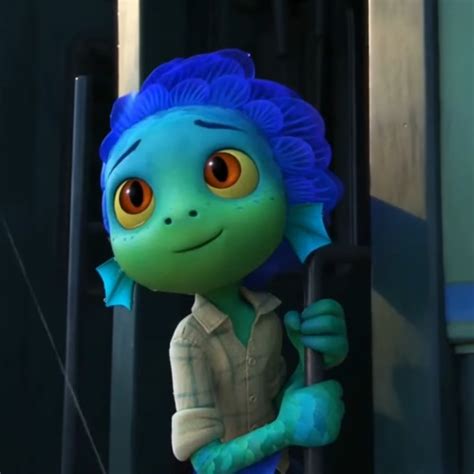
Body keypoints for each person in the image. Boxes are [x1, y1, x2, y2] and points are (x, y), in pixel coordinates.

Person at [97, 49, 348, 474]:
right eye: (136, 198)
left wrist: (316, 358)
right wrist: (287, 429)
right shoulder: (190, 341)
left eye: (222, 172)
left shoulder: (269, 317)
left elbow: (286, 401)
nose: (180, 213)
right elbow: (207, 462)